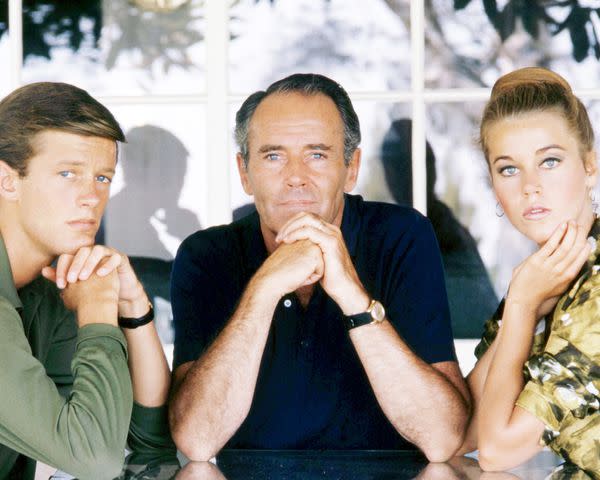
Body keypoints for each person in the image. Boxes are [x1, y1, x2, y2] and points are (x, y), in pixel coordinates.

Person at [169, 73, 470, 462]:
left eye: (317, 154)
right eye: (273, 156)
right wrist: (263, 290)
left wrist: (352, 296)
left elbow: (443, 437)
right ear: (244, 173)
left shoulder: (401, 235)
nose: (295, 177)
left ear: (351, 168)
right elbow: (196, 440)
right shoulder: (206, 254)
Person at [0, 82, 173, 479]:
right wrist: (97, 308)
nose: (91, 198)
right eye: (68, 174)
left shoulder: (51, 289)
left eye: (103, 178)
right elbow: (93, 457)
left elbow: (146, 441)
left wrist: (133, 309)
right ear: (7, 181)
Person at [461, 67, 599, 478]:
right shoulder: (547, 277)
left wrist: (522, 307)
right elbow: (463, 431)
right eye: (509, 169)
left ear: (590, 166)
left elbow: (496, 450)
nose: (530, 186)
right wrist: (527, 304)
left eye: (550, 161)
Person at [381, 118, 498, 338]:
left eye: (401, 165)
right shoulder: (439, 226)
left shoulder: (437, 230)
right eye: (391, 165)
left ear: (429, 168)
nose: (395, 176)